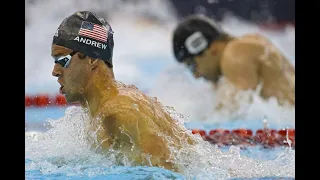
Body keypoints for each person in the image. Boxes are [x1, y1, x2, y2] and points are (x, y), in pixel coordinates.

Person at [51, 11, 196, 172]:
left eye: (62, 60)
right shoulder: (102, 111)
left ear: (92, 58)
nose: (55, 71)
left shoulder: (118, 113)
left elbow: (168, 173)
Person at [172, 14, 295, 111]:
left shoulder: (235, 54)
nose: (196, 75)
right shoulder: (248, 43)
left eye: (192, 66)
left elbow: (232, 113)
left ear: (211, 49)